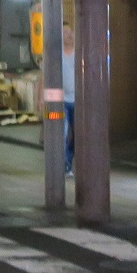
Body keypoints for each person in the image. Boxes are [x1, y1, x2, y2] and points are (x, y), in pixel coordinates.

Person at [61, 22, 77, 177]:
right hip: (62, 101)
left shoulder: (79, 53)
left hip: (77, 100)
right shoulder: (56, 54)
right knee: (63, 132)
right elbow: (43, 76)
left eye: (71, 32)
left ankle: (69, 158)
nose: (70, 35)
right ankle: (65, 165)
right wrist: (41, 98)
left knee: (79, 134)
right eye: (66, 32)